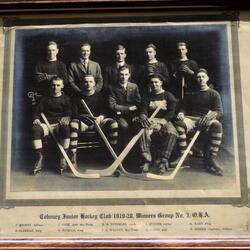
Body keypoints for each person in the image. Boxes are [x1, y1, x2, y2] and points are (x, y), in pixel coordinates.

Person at [174, 68, 223, 176]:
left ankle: (211, 157)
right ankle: (184, 156)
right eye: (198, 77)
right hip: (191, 119)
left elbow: (219, 111)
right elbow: (183, 107)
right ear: (196, 79)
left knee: (217, 125)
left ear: (207, 78)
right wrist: (181, 113)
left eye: (203, 77)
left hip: (206, 119)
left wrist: (209, 117)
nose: (201, 79)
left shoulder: (214, 93)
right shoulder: (191, 93)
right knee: (178, 124)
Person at [69, 75, 118, 166]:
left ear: (94, 83)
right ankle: (73, 154)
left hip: (98, 121)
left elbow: (105, 112)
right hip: (83, 122)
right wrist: (84, 118)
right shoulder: (77, 97)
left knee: (113, 123)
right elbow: (74, 114)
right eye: (86, 82)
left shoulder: (100, 96)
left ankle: (113, 154)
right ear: (82, 84)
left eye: (91, 81)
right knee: (73, 124)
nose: (88, 84)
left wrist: (101, 117)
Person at [135, 74, 178, 174]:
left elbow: (171, 113)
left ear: (161, 83)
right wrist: (143, 115)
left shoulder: (168, 96)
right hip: (150, 120)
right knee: (143, 130)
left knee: (172, 132)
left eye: (156, 82)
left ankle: (163, 160)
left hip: (164, 120)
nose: (154, 84)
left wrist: (161, 123)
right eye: (152, 82)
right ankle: (146, 159)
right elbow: (144, 109)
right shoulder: (147, 96)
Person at [31, 77, 71, 175]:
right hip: (46, 124)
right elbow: (37, 112)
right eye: (53, 85)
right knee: (35, 129)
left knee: (66, 129)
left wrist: (66, 118)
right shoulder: (44, 98)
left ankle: (63, 157)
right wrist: (36, 118)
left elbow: (69, 113)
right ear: (50, 85)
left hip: (58, 124)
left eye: (58, 85)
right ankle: (39, 158)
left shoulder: (66, 99)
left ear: (62, 86)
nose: (55, 87)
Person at [108, 65, 141, 150]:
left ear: (129, 75)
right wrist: (128, 108)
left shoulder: (134, 86)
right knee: (124, 126)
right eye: (121, 74)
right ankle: (124, 152)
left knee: (138, 126)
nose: (124, 77)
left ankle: (137, 152)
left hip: (133, 115)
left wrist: (136, 114)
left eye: (126, 74)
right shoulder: (112, 88)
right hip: (119, 115)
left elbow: (138, 103)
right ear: (118, 75)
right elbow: (112, 105)